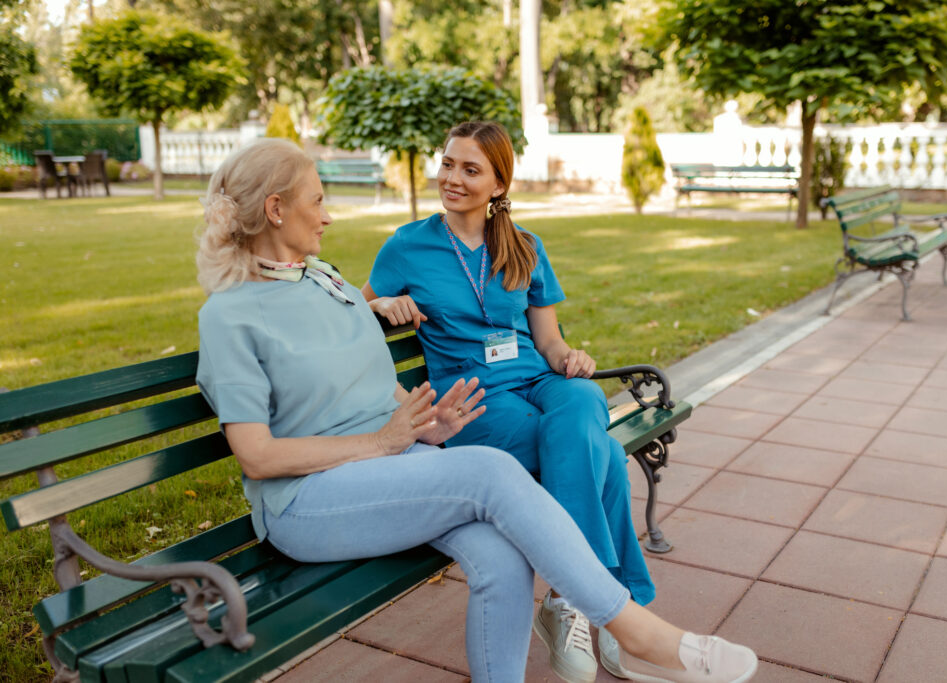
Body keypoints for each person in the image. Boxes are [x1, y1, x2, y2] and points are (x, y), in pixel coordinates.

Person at [194, 137, 758, 683]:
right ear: (275, 210)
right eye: (317, 199)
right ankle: (634, 628)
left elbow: (377, 382)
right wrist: (381, 443)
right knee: (495, 471)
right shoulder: (230, 316)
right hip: (306, 500)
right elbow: (257, 456)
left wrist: (428, 422)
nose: (328, 215)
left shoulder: (326, 282)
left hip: (387, 467)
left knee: (503, 556)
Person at [362, 121, 651, 680]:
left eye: (471, 169)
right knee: (605, 455)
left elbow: (548, 341)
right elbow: (354, 308)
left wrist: (571, 358)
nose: (452, 178)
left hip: (538, 380)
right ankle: (614, 604)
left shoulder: (525, 246)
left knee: (583, 400)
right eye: (448, 164)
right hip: (472, 398)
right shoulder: (407, 245)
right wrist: (379, 306)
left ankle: (573, 596)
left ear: (498, 184)